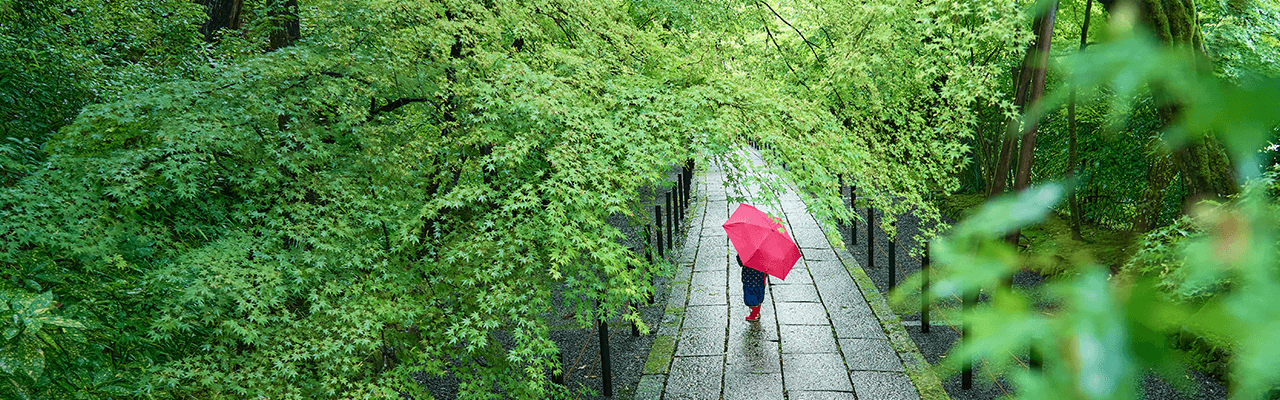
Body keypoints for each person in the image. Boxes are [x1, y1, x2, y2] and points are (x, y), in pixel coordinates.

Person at [738, 255, 768, 321]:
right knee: (759, 295)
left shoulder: (746, 252)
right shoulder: (765, 254)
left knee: (751, 297)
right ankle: (757, 313)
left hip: (750, 279)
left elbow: (740, 262)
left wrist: (739, 255)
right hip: (760, 278)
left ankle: (754, 315)